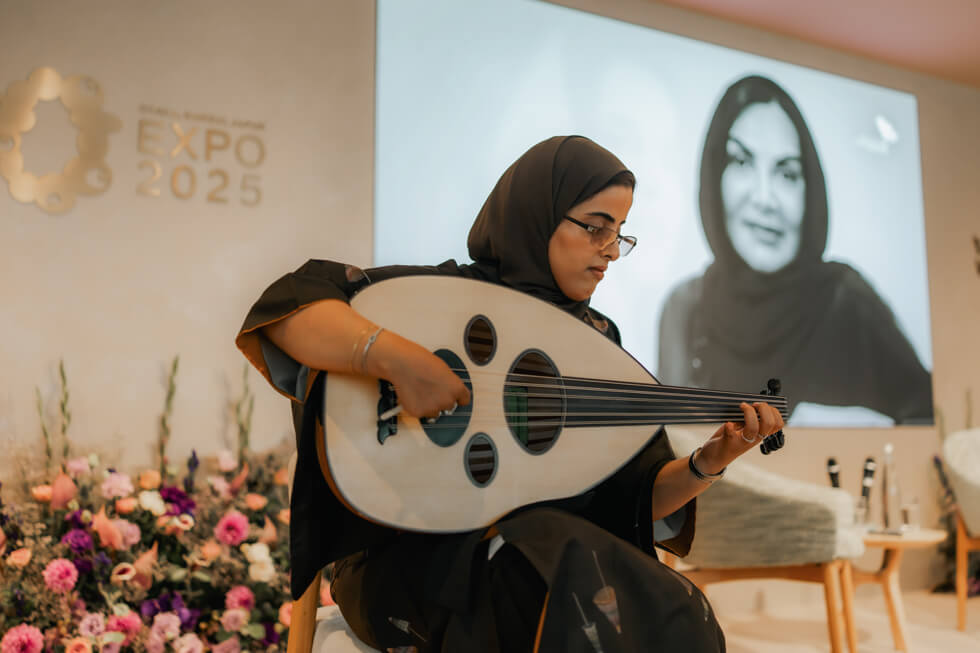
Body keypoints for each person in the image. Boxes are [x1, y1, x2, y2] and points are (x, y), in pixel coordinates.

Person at [236, 136, 784, 652]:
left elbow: (629, 499)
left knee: (663, 605)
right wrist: (399, 360)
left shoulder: (599, 340)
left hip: (549, 556)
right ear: (536, 215)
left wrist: (710, 461)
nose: (611, 250)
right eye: (596, 227)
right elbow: (288, 309)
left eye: (619, 232)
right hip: (413, 558)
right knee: (551, 568)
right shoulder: (439, 299)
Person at [658, 75, 933, 425]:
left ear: (811, 191)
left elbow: (926, 419)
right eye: (741, 162)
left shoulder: (845, 301)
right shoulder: (684, 309)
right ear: (714, 175)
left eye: (787, 174)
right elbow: (667, 447)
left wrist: (851, 429)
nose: (764, 199)